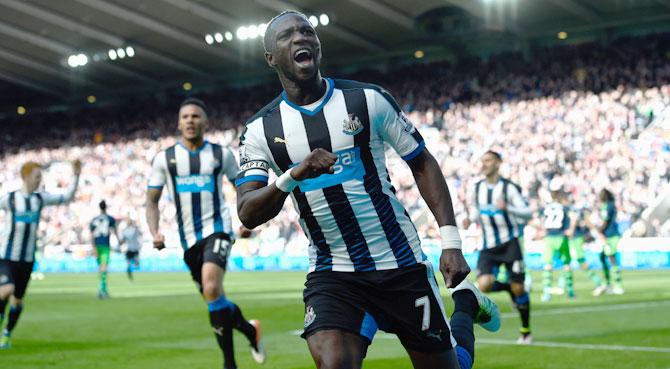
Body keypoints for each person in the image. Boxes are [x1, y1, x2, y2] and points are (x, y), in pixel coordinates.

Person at [236, 11, 500, 369]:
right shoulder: (259, 131)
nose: (300, 38)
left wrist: (450, 243)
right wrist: (292, 175)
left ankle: (466, 304)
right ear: (271, 58)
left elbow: (422, 163)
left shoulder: (367, 100)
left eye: (307, 32)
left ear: (317, 45)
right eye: (287, 36)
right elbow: (249, 211)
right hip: (333, 271)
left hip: (400, 264)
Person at [146, 97, 265, 369]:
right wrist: (155, 232)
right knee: (215, 300)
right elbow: (151, 200)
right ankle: (249, 330)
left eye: (196, 116)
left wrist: (248, 220)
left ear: (205, 122)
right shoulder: (165, 159)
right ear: (178, 123)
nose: (190, 120)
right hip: (188, 241)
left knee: (212, 288)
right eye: (185, 116)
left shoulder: (220, 154)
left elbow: (242, 187)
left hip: (218, 230)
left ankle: (229, 364)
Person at [0, 160, 81, 349]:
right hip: (7, 258)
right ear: (26, 176)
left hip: (27, 260)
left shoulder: (39, 199)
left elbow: (67, 197)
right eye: (37, 177)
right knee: (6, 289)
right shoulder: (10, 199)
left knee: (17, 301)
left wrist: (76, 176)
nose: (39, 180)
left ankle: (7, 334)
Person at [463, 151, 533, 344]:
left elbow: (528, 213)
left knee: (519, 289)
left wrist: (508, 208)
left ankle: (526, 331)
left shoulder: (509, 189)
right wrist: (470, 218)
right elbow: (477, 212)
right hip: (488, 245)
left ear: (498, 163)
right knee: (484, 284)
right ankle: (509, 289)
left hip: (510, 243)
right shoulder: (477, 189)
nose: (484, 164)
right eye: (482, 160)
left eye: (488, 160)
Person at [539, 186, 573, 302]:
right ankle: (570, 291)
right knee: (566, 263)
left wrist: (543, 231)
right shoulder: (564, 208)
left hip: (549, 237)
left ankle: (546, 292)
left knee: (547, 265)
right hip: (561, 236)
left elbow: (542, 221)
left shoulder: (545, 208)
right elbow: (570, 220)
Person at [567, 200, 606, 296]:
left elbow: (586, 222)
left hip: (575, 238)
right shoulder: (574, 210)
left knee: (578, 260)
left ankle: (598, 283)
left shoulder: (573, 211)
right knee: (567, 261)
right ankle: (565, 287)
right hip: (575, 237)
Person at [594, 189, 624, 295]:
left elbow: (606, 221)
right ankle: (607, 283)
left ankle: (618, 285)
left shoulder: (610, 205)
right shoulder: (604, 206)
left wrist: (599, 230)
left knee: (611, 257)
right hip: (605, 235)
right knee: (602, 257)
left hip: (611, 235)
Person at [89, 200, 120, 299]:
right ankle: (102, 290)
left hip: (97, 245)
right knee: (104, 267)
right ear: (106, 207)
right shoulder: (110, 219)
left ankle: (102, 289)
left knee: (101, 268)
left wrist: (93, 247)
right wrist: (119, 241)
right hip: (105, 246)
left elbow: (91, 235)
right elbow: (115, 231)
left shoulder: (94, 220)